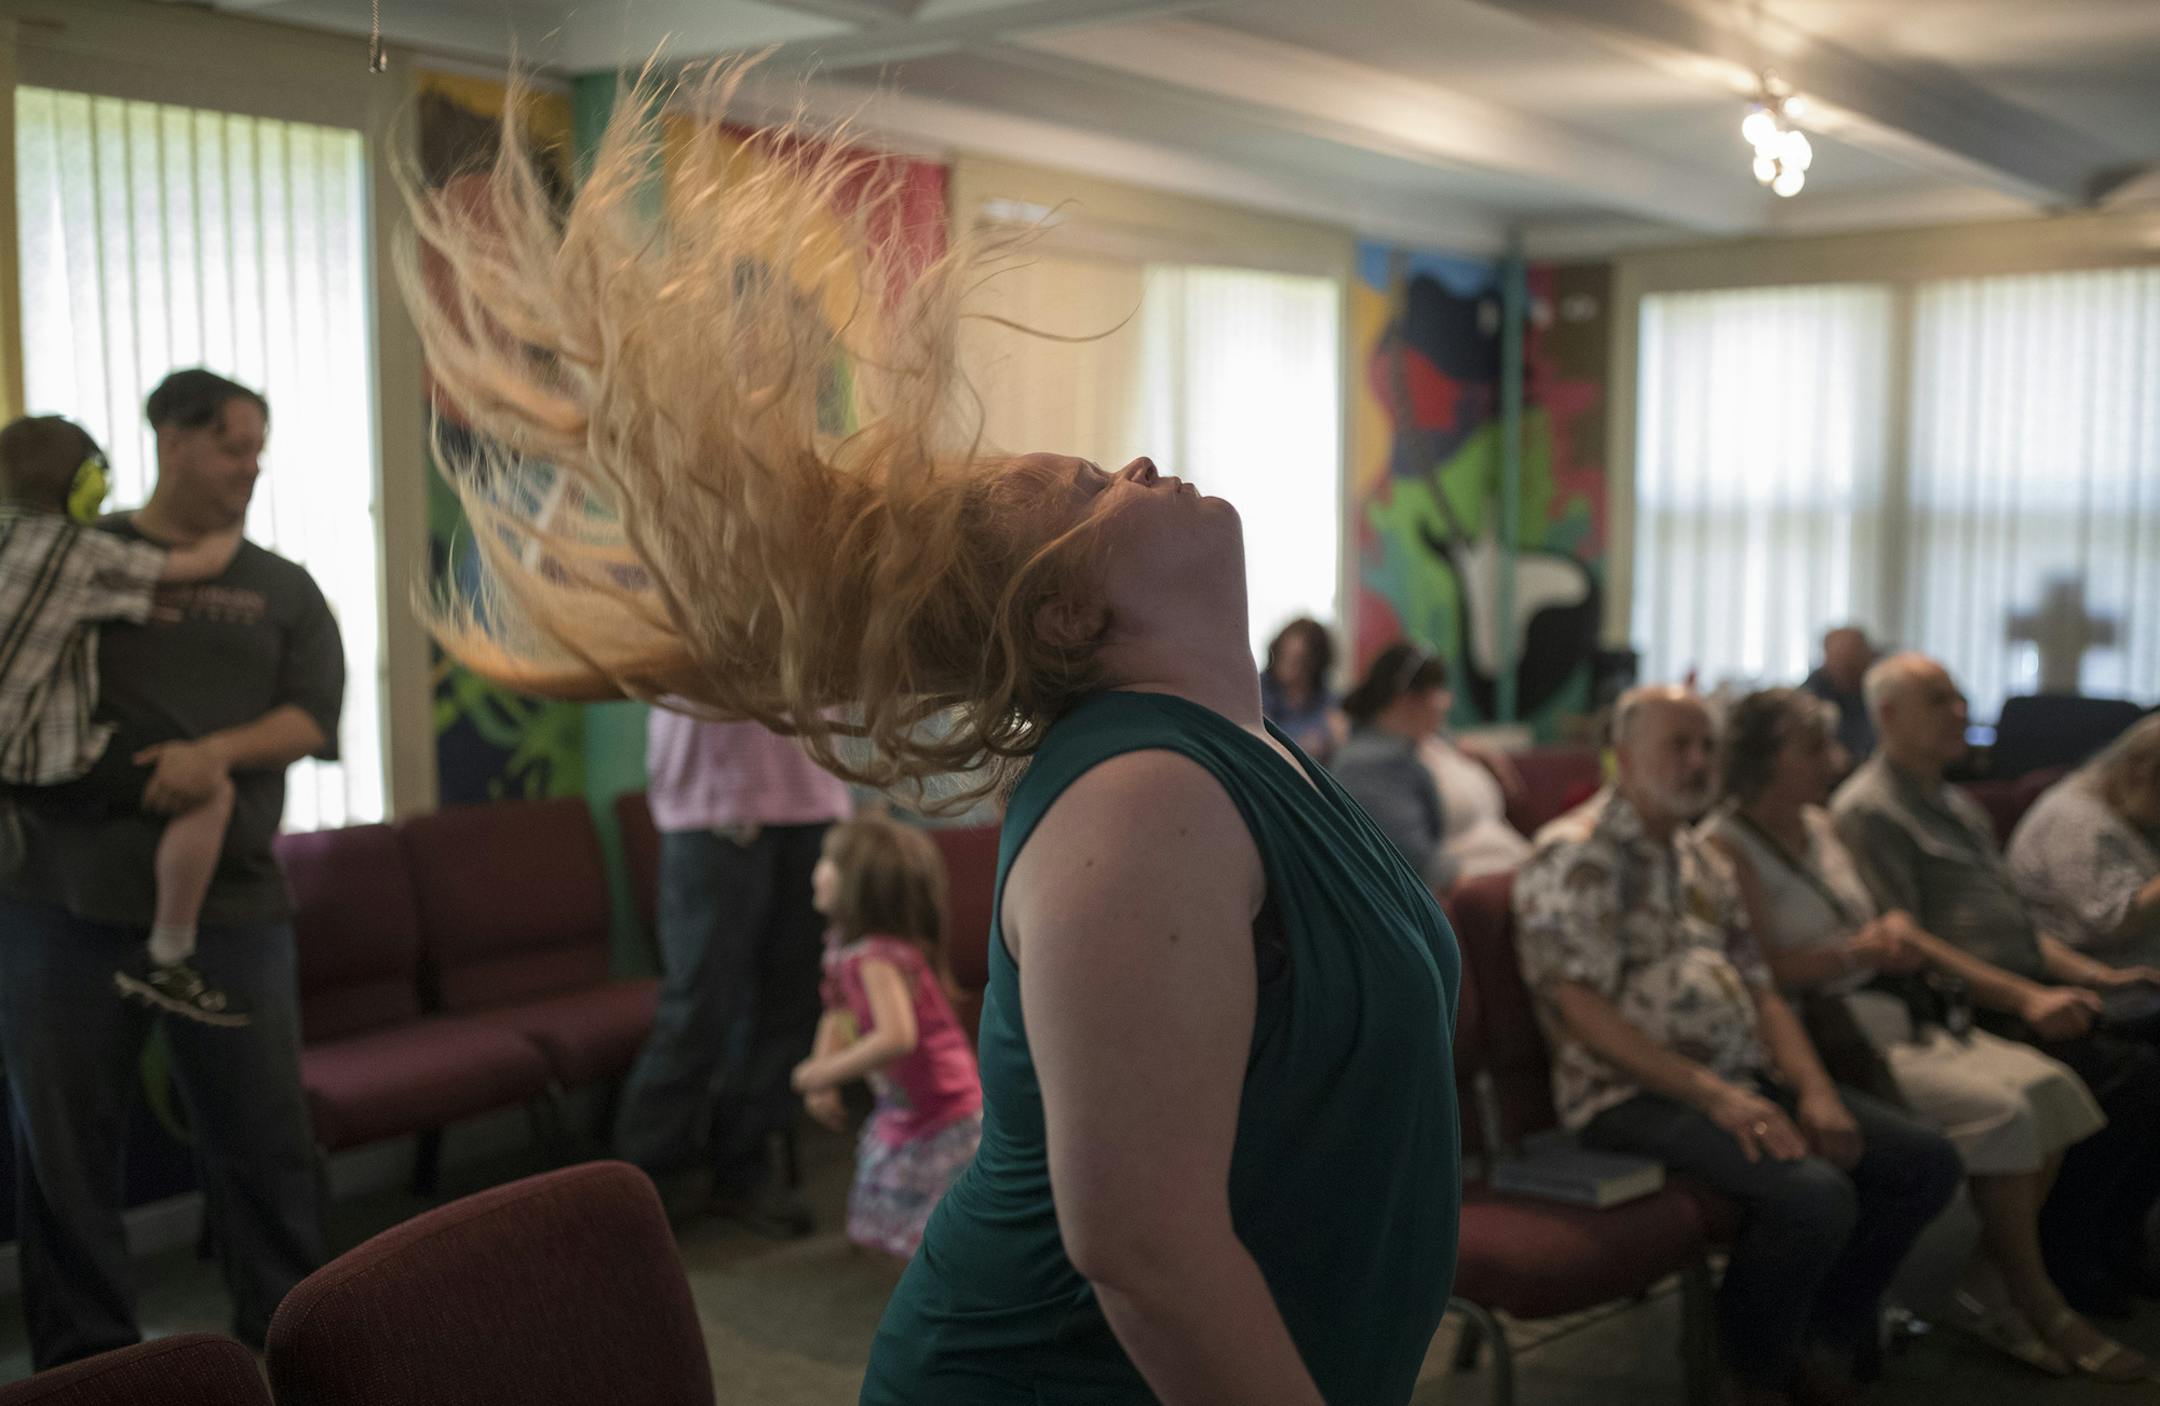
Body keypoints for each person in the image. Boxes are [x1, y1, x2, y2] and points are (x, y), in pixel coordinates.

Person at [405, 68, 1460, 1406]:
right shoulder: (1140, 803)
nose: (1132, 465)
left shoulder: (1241, 760)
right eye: (1087, 488)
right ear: (1067, 611)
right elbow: (1142, 1251)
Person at [0, 369, 343, 1369]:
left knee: (266, 1145)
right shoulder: (79, 554)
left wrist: (215, 754)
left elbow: (313, 718)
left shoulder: (283, 587)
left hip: (230, 910)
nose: (252, 465)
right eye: (235, 444)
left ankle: (292, 1357)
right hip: (60, 904)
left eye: (259, 447)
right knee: (62, 1156)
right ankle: (89, 1369)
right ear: (172, 439)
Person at [1514, 686, 1961, 1406]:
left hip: (1736, 1075)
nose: (1697, 762)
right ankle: (1752, 1376)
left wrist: (1813, 1090)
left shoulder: (1699, 856)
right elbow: (1580, 1010)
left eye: (1707, 746)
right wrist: (1718, 1097)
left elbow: (1761, 989)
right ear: (1623, 755)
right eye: (1678, 745)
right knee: (1814, 1196)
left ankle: (1821, 1337)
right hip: (1630, 1097)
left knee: (1923, 1162)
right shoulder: (1577, 855)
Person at [1706, 688, 2142, 1382]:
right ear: (1764, 759)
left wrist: (2010, 986)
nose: (1836, 759)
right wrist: (1862, 953)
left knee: (2057, 1089)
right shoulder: (1725, 845)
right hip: (1825, 1032)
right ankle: (2034, 1298)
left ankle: (1989, 1278)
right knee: (2007, 1108)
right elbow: (1759, 970)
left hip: (1891, 1009)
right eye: (1814, 748)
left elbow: (1894, 927)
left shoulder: (1821, 826)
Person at [1833, 653, 2160, 1316]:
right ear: (1889, 716)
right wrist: (2028, 998)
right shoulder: (1870, 811)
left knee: (2146, 1056)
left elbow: (2014, 926)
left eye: (1960, 697)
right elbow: (1909, 946)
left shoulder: (1955, 801)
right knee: (2129, 1078)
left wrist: (2093, 975)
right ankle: (2057, 1259)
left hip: (2024, 985)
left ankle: (2107, 1244)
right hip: (1954, 1009)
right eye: (1940, 701)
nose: (1962, 711)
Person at [0, 416, 248, 1026]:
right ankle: (168, 958)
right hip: (36, 761)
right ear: (87, 489)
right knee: (208, 790)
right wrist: (234, 514)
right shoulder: (82, 553)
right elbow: (202, 563)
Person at [613, 712, 852, 1238]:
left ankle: (744, 1167)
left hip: (812, 795)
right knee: (699, 1007)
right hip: (712, 801)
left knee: (791, 1005)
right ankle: (639, 1189)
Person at [791, 816, 983, 1261]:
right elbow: (838, 1012)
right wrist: (824, 1079)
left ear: (858, 883)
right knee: (897, 1231)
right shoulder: (844, 945)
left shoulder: (875, 956)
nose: (817, 869)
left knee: (933, 1237)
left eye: (828, 861)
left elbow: (898, 1036)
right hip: (904, 1109)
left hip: (944, 1114)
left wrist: (819, 1071)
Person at [1332, 643, 1529, 894]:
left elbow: (1448, 738)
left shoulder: (1425, 738)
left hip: (1507, 871)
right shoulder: (1366, 767)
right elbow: (1421, 864)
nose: (1447, 701)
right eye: (1439, 691)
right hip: (1472, 894)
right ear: (1406, 701)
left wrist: (1486, 754)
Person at [2009, 715, 2160, 967]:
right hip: (2101, 985)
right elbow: (2114, 921)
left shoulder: (2121, 809)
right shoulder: (2076, 820)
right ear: (2140, 774)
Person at [1259, 617, 1343, 763]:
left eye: (1299, 660)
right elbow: (1261, 740)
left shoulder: (1324, 697)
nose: (1289, 666)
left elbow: (1339, 737)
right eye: (1284, 656)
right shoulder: (1260, 688)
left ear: (1315, 663)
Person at [1804, 626, 1878, 766]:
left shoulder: (1880, 687)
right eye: (1841, 664)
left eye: (1853, 664)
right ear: (1827, 660)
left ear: (1869, 656)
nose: (1846, 674)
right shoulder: (1808, 697)